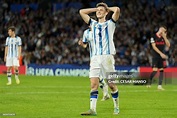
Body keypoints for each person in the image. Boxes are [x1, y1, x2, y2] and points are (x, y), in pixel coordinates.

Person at [79, 2, 120, 115]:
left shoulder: (110, 23)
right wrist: (96, 9)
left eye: (102, 10)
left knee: (111, 85)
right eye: (98, 10)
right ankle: (93, 109)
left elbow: (117, 9)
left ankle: (116, 106)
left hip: (107, 58)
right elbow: (81, 12)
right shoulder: (93, 24)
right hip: (95, 58)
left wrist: (105, 8)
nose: (99, 11)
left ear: (107, 12)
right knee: (93, 84)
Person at [78, 27, 110, 101]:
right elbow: (85, 45)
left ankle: (105, 88)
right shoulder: (86, 32)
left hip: (101, 56)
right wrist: (82, 44)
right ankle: (105, 91)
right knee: (96, 75)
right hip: (93, 57)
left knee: (94, 75)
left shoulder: (100, 30)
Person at [147, 26, 170, 90]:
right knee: (155, 70)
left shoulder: (163, 37)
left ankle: (159, 86)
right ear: (160, 29)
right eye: (163, 30)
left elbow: (168, 45)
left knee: (162, 70)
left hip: (162, 56)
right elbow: (154, 47)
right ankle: (149, 82)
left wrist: (165, 37)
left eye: (164, 31)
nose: (163, 32)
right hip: (155, 56)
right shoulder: (153, 37)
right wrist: (161, 54)